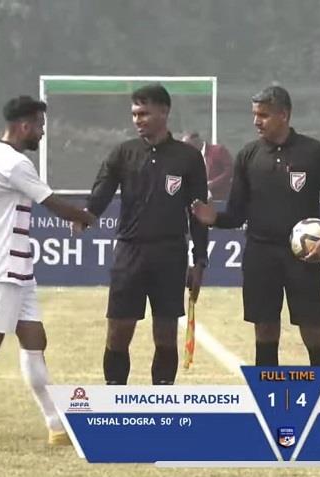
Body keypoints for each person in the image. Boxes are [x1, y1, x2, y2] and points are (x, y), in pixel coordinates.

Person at [0, 96, 95, 444]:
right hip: (1, 265)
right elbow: (52, 203)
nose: (42, 132)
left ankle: (56, 426)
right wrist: (85, 216)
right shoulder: (15, 163)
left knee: (35, 340)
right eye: (39, 126)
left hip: (16, 265)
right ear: (24, 126)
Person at [192, 86, 320, 384]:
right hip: (260, 256)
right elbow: (237, 214)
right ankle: (268, 400)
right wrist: (214, 219)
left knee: (314, 332)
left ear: (284, 115)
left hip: (303, 259)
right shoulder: (248, 155)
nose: (257, 121)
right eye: (255, 114)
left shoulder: (313, 152)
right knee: (265, 331)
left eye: (263, 115)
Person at [80, 84, 208, 387]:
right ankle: (114, 398)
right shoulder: (123, 152)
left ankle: (161, 401)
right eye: (135, 114)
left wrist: (200, 260)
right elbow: (99, 196)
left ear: (164, 112)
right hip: (130, 252)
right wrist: (84, 216)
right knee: (118, 332)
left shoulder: (188, 158)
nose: (138, 120)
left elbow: (199, 214)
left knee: (165, 334)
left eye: (145, 113)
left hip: (170, 254)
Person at [181, 131, 233, 201]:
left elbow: (230, 171)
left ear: (196, 142)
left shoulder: (218, 150)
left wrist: (213, 183)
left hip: (219, 198)